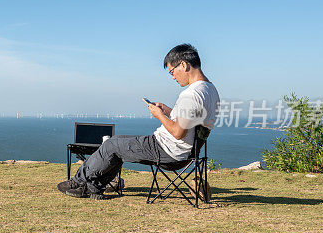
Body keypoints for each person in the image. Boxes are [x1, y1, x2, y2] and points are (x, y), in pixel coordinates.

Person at [58, 43, 219, 200]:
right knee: (117, 142)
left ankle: (78, 183)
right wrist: (168, 111)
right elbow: (191, 121)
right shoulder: (210, 90)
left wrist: (159, 115)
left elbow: (178, 132)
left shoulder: (190, 94)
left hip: (166, 150)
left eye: (172, 71)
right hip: (187, 152)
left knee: (111, 145)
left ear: (183, 65)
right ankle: (93, 186)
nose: (173, 77)